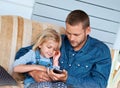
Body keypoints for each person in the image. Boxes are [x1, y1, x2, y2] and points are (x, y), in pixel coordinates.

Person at [15, 10, 111, 88]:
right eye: (68, 33)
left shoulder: (101, 51)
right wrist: (33, 72)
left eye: (76, 35)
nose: (71, 38)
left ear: (88, 30)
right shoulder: (59, 41)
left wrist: (67, 79)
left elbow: (99, 84)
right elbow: (23, 52)